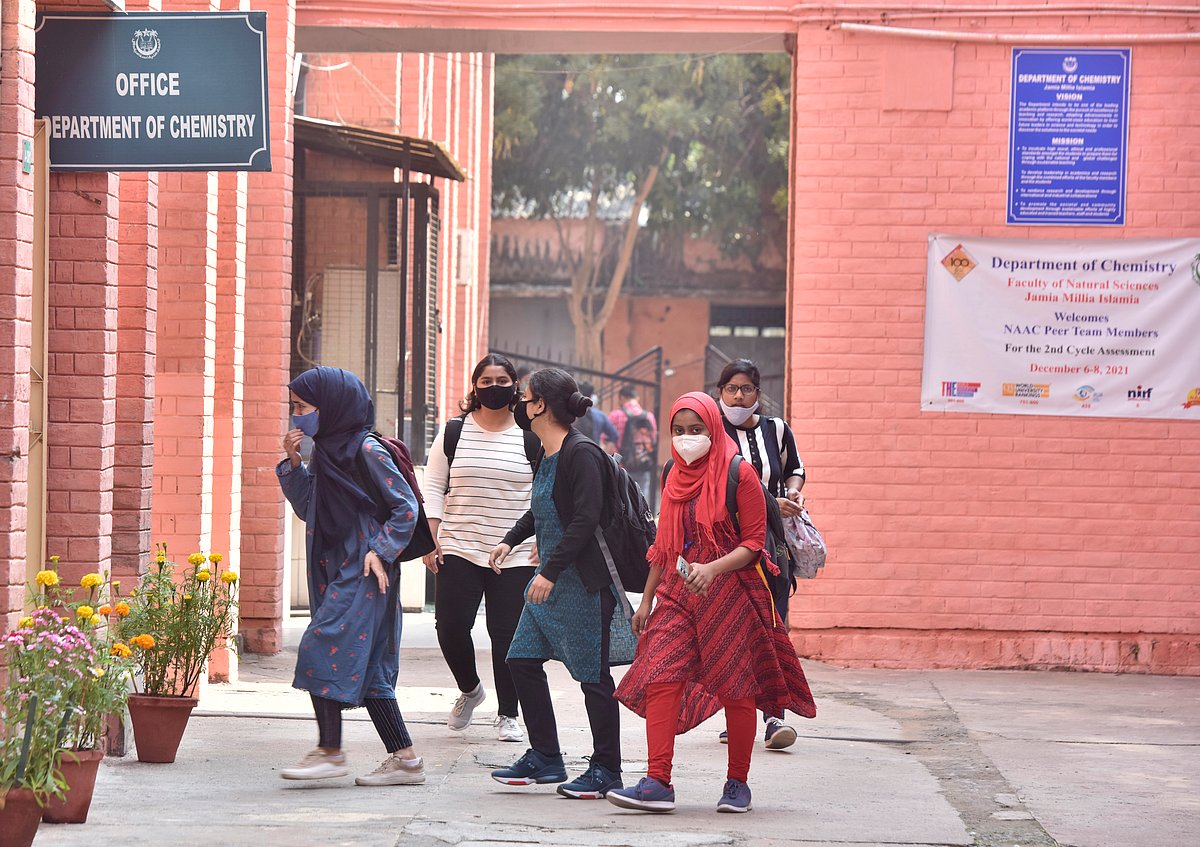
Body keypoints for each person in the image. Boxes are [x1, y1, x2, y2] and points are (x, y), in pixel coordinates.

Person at [608, 391, 815, 814]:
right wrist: (645, 601)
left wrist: (713, 568)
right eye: (679, 431)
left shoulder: (741, 473)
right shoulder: (674, 473)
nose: (687, 438)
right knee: (661, 674)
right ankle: (657, 781)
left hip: (733, 593)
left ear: (713, 428)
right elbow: (665, 544)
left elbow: (755, 545)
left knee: (736, 688)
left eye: (696, 429)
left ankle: (737, 783)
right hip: (679, 593)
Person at [488, 367, 636, 799]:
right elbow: (542, 508)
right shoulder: (544, 451)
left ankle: (607, 768)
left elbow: (586, 519)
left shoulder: (582, 453)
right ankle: (546, 757)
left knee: (593, 678)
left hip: (583, 584)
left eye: (525, 396)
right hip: (550, 582)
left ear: (542, 406)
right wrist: (509, 540)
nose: (519, 403)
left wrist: (549, 571)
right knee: (520, 660)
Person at [277, 366, 426, 786]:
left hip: (364, 568)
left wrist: (381, 551)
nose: (297, 417)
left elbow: (406, 508)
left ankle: (330, 751)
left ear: (333, 406)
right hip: (336, 565)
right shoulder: (326, 451)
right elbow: (311, 508)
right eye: (294, 407)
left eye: (303, 407)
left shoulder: (366, 450)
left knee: (320, 645)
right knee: (371, 666)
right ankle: (406, 761)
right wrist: (294, 464)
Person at [422, 354, 537, 743]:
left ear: (515, 385)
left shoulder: (530, 435)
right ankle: (471, 690)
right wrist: (432, 536)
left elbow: (545, 494)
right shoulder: (454, 432)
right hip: (459, 543)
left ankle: (508, 714)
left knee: (506, 634)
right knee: (451, 626)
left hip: (515, 551)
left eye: (501, 380)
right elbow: (434, 486)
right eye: (485, 381)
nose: (493, 387)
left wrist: (541, 542)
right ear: (474, 387)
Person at [716, 358, 806, 750]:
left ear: (758, 392)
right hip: (725, 545)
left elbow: (795, 469)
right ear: (720, 391)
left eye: (747, 389)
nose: (739, 396)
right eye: (732, 389)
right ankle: (736, 712)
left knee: (773, 624)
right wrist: (771, 500)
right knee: (732, 629)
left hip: (773, 546)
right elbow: (714, 485)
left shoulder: (777, 430)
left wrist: (794, 491)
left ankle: (773, 717)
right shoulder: (712, 431)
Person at [609, 384, 658, 509]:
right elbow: (653, 439)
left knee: (621, 501)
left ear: (621, 398)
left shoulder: (616, 415)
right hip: (643, 463)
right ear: (637, 398)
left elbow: (607, 440)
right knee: (641, 501)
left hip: (621, 465)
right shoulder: (649, 416)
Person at [575, 379, 620, 453]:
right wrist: (604, 455)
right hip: (592, 454)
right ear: (591, 396)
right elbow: (614, 435)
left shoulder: (571, 412)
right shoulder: (599, 415)